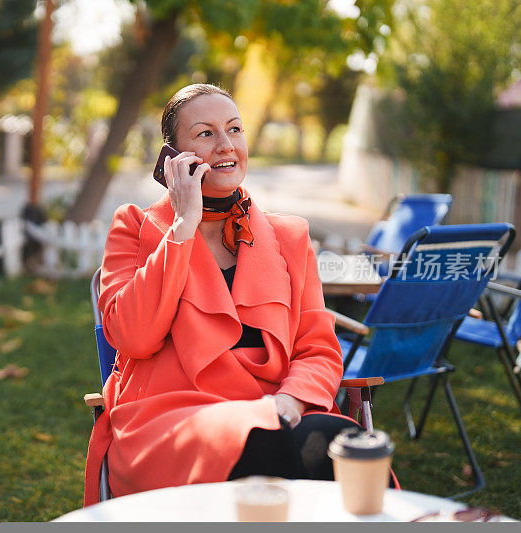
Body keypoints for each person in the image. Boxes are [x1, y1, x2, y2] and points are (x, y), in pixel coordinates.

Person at [84, 84, 394, 506]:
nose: (226, 144)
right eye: (206, 134)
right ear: (173, 156)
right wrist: (183, 226)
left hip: (278, 409)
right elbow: (134, 337)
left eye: (234, 129)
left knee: (343, 446)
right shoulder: (136, 227)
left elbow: (318, 349)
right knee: (304, 450)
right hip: (172, 418)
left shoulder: (290, 236)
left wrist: (288, 401)